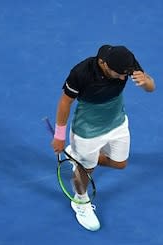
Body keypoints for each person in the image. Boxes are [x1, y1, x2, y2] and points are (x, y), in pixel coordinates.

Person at [51, 44, 155, 231]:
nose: (124, 78)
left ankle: (76, 156)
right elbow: (65, 102)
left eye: (127, 74)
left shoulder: (125, 61)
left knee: (120, 164)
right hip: (87, 131)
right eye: (120, 74)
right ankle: (80, 201)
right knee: (86, 171)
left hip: (117, 124)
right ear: (104, 64)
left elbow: (151, 87)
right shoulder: (81, 73)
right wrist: (59, 136)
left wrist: (145, 81)